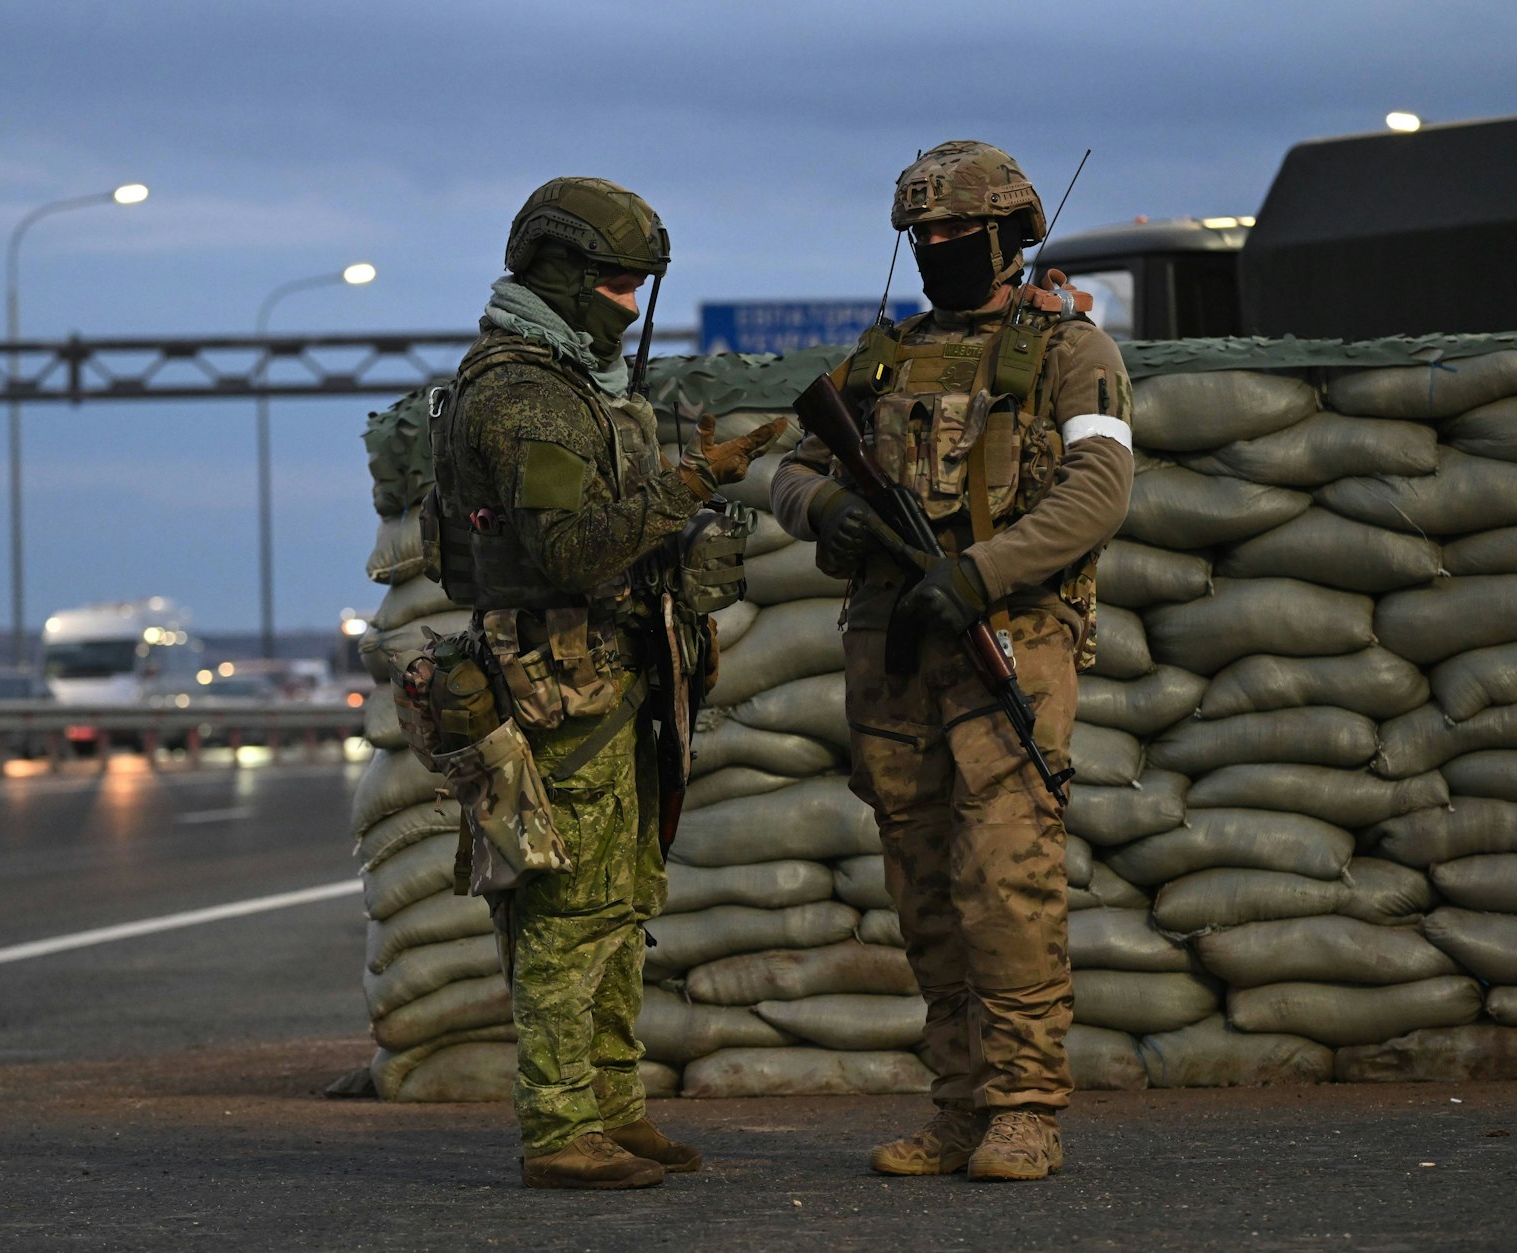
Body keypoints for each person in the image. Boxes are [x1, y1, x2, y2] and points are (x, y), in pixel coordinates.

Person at [772, 140, 1134, 1181]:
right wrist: (827, 509)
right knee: (921, 878)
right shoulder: (881, 358)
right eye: (920, 237)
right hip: (891, 647)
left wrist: (983, 572)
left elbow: (1096, 491)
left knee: (1003, 875)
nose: (935, 250)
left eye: (954, 235)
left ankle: (1022, 1106)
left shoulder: (1067, 350)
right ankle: (957, 1103)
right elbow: (790, 472)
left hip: (1006, 643)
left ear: (1008, 233)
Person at [426, 176, 782, 1189]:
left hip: (608, 673)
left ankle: (615, 1107)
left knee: (621, 902)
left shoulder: (572, 383)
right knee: (564, 906)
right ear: (559, 275)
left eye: (639, 286)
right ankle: (557, 1124)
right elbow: (575, 550)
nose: (629, 305)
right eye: (616, 285)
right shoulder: (526, 397)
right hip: (554, 683)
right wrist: (688, 482)